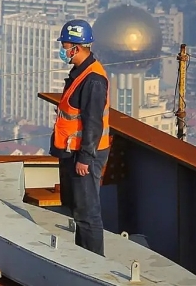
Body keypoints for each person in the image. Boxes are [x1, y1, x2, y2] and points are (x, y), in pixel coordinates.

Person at [51, 19, 110, 256]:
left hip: (85, 155)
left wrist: (85, 157)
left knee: (87, 214)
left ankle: (94, 263)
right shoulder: (80, 72)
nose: (63, 50)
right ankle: (80, 255)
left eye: (65, 45)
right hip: (71, 150)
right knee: (77, 210)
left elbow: (93, 122)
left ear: (76, 47)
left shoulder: (93, 79)